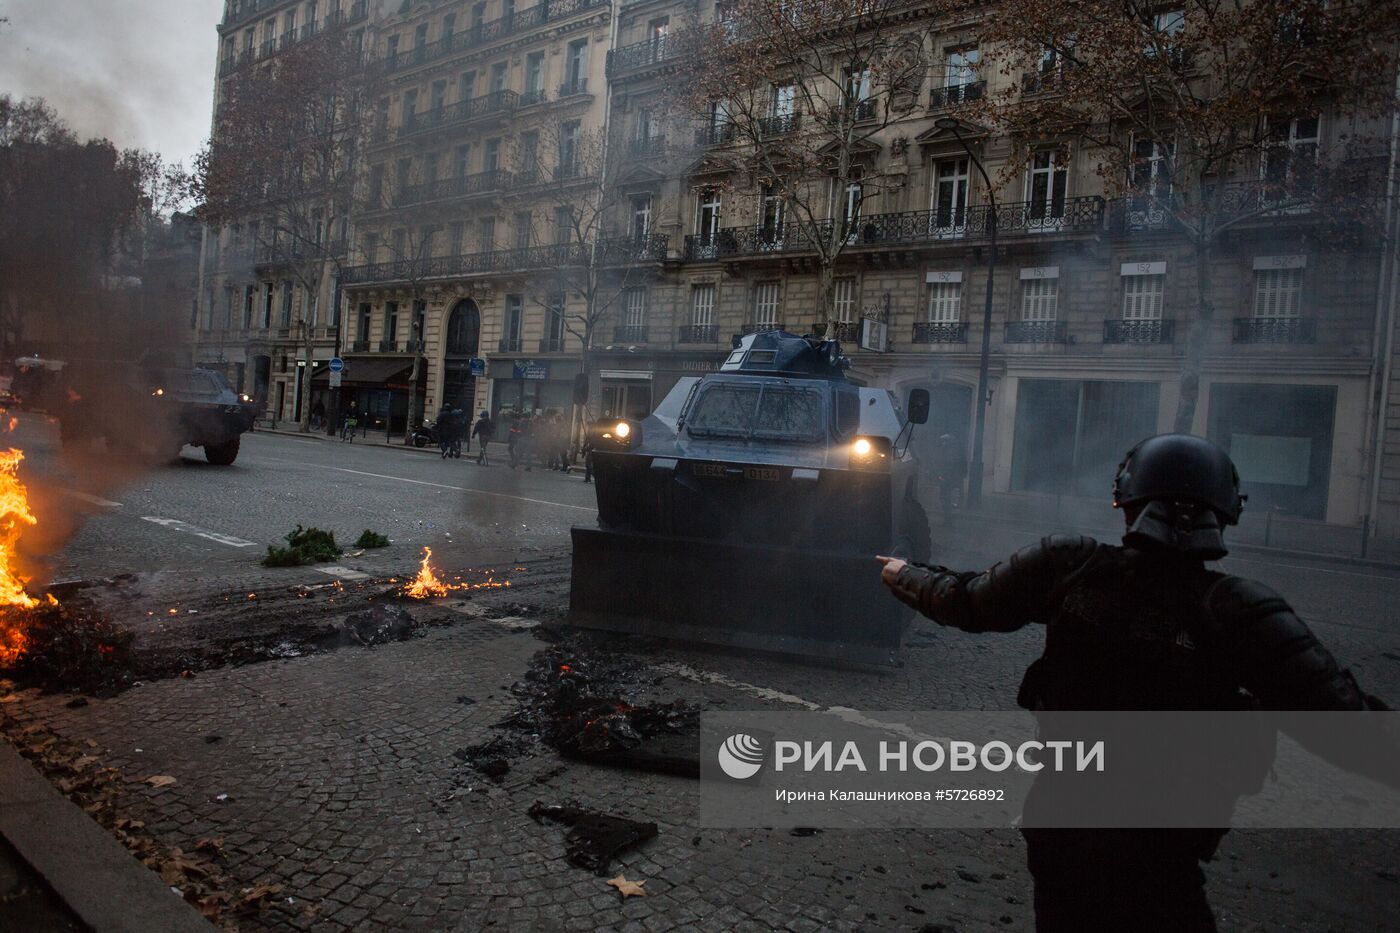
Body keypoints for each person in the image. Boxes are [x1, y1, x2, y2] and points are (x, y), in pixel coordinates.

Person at [876, 433, 1398, 933]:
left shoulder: (1071, 566)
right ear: (1226, 512)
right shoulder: (1243, 611)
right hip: (1161, 848)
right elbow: (1354, 730)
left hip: (1061, 827)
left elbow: (968, 601)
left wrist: (904, 575)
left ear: (1126, 500)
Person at [931, 432, 966, 525]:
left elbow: (948, 462)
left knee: (945, 497)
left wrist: (942, 475)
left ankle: (949, 519)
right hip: (955, 477)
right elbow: (963, 462)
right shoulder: (958, 446)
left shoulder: (948, 449)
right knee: (951, 498)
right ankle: (949, 518)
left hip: (948, 477)